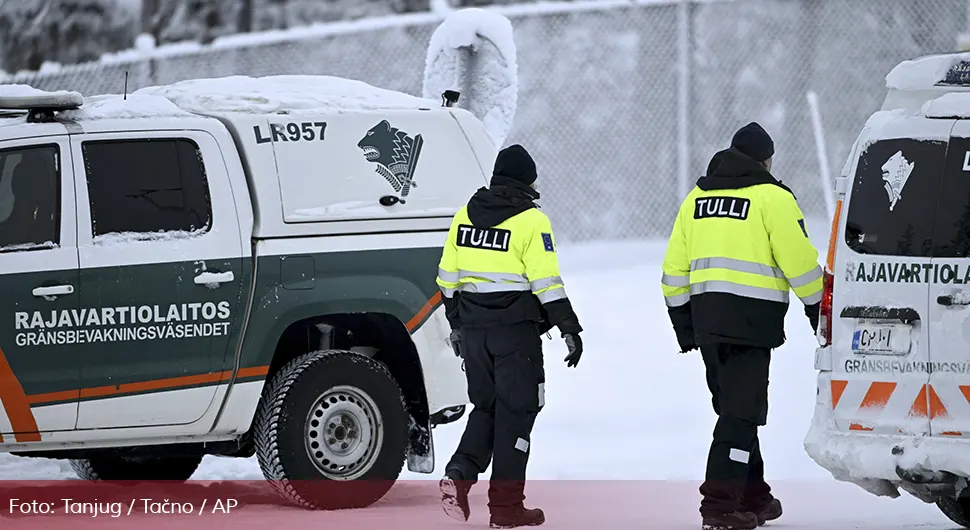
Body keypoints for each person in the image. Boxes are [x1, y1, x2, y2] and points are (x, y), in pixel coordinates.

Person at [660, 123, 822, 530]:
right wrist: (819, 309)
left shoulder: (696, 199)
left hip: (707, 323)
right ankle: (718, 505)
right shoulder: (773, 198)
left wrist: (684, 324)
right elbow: (799, 262)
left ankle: (754, 496)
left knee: (735, 410)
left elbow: (673, 270)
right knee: (740, 415)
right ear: (766, 161)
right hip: (750, 323)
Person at [434, 144, 584, 529]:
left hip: (474, 334)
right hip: (515, 337)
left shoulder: (465, 214)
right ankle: (506, 508)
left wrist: (458, 325)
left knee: (487, 409)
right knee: (518, 413)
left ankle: (460, 474)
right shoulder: (532, 221)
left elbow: (446, 279)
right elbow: (546, 282)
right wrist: (568, 326)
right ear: (526, 180)